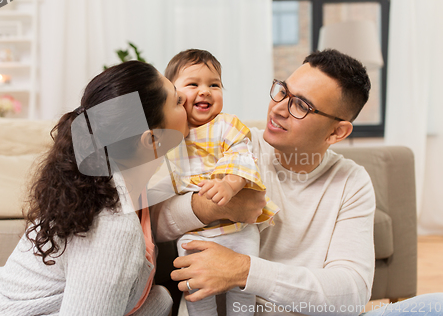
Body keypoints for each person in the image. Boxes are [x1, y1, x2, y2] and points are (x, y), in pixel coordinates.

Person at [152, 49, 443, 315]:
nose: (277, 108)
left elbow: (352, 292)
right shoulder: (235, 146)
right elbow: (150, 223)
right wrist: (211, 208)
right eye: (282, 91)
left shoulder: (351, 181)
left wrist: (243, 270)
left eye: (301, 105)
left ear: (337, 132)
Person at [0, 60, 190, 316]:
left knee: (160, 300)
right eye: (176, 100)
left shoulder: (113, 184)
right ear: (152, 139)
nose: (186, 97)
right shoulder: (113, 225)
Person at [162, 49, 278, 316]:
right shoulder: (170, 133)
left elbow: (243, 158)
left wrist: (230, 184)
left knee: (243, 293)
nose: (205, 91)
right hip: (194, 233)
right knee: (197, 294)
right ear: (172, 94)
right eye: (193, 84)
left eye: (214, 84)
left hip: (237, 230)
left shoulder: (226, 125)